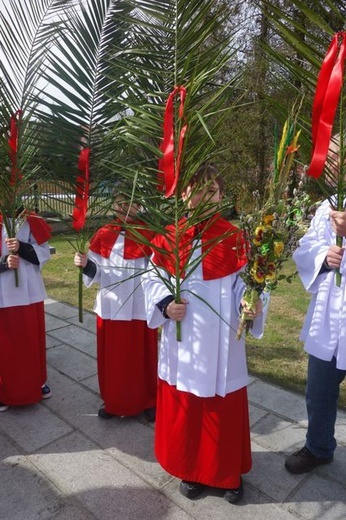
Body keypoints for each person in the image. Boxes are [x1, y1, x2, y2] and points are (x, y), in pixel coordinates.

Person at [142, 163, 268, 504]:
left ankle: (228, 474)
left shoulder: (234, 238)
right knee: (188, 406)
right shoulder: (169, 236)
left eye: (212, 191)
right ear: (183, 194)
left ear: (222, 196)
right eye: (197, 189)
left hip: (224, 342)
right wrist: (166, 304)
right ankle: (191, 470)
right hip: (183, 343)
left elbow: (252, 283)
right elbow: (150, 278)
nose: (204, 197)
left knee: (222, 409)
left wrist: (253, 304)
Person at [285, 140, 346, 474]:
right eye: (330, 156)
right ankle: (319, 446)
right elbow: (306, 246)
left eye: (336, 155)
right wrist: (325, 256)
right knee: (319, 388)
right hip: (330, 313)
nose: (331, 162)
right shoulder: (327, 205)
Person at [74, 193, 158, 421]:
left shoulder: (149, 233)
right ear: (114, 205)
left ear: (138, 206)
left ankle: (149, 399)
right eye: (120, 204)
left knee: (143, 355)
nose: (125, 208)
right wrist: (85, 265)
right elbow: (97, 271)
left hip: (140, 304)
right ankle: (114, 400)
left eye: (131, 204)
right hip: (112, 305)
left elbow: (158, 270)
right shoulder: (104, 233)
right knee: (115, 358)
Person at [0, 208, 52, 412]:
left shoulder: (26, 216)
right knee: (5, 344)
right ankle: (5, 390)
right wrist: (3, 263)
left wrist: (21, 247)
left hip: (28, 289)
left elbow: (44, 251)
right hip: (2, 291)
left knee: (30, 339)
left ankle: (38, 381)